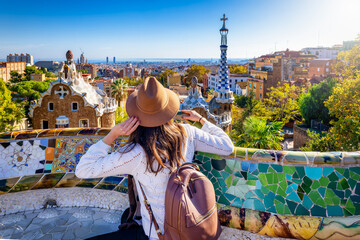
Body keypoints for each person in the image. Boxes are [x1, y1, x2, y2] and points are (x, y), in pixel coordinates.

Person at [75, 77, 234, 240]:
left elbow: (83, 170)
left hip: (159, 234)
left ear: (136, 117)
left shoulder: (135, 153)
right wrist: (201, 119)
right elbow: (227, 146)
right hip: (191, 225)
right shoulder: (187, 133)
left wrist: (113, 134)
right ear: (168, 110)